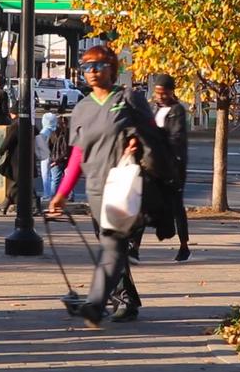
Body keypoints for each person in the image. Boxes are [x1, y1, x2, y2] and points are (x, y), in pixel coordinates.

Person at [48, 45, 153, 326]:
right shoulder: (81, 108)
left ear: (113, 69)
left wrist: (137, 143)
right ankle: (116, 301)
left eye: (99, 65)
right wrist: (61, 193)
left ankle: (97, 304)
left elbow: (154, 136)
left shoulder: (128, 99)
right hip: (95, 190)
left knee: (113, 246)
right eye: (86, 66)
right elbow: (77, 155)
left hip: (125, 186)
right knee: (111, 247)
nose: (92, 71)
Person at [129, 74, 191, 263]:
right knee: (142, 206)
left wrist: (156, 139)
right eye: (157, 93)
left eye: (164, 93)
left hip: (172, 168)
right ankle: (134, 248)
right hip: (152, 167)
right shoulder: (155, 109)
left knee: (176, 209)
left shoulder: (177, 110)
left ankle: (184, 246)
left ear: (172, 92)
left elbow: (176, 138)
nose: (160, 96)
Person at [0, 104, 41, 216]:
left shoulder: (15, 125)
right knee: (23, 182)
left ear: (14, 113)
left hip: (17, 160)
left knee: (21, 182)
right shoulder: (29, 124)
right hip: (28, 158)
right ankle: (6, 204)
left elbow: (7, 142)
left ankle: (7, 204)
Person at [48, 115, 73, 202]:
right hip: (67, 160)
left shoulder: (53, 133)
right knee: (68, 179)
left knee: (55, 180)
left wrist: (53, 159)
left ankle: (53, 198)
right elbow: (71, 148)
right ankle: (70, 197)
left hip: (55, 160)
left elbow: (49, 146)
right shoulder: (70, 133)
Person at [36, 112, 58, 201]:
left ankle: (47, 194)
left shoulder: (44, 131)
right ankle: (53, 193)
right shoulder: (56, 130)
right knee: (54, 176)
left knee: (45, 175)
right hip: (54, 155)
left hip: (45, 155)